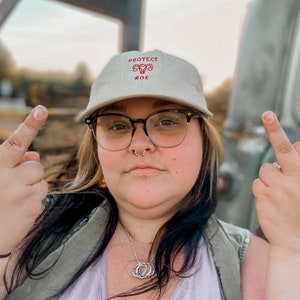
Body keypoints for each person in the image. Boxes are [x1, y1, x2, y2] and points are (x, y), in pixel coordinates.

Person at [0, 49, 299, 300]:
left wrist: (292, 250)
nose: (140, 144)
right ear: (97, 148)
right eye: (117, 125)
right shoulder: (28, 235)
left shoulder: (259, 261)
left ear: (204, 142)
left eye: (167, 121)